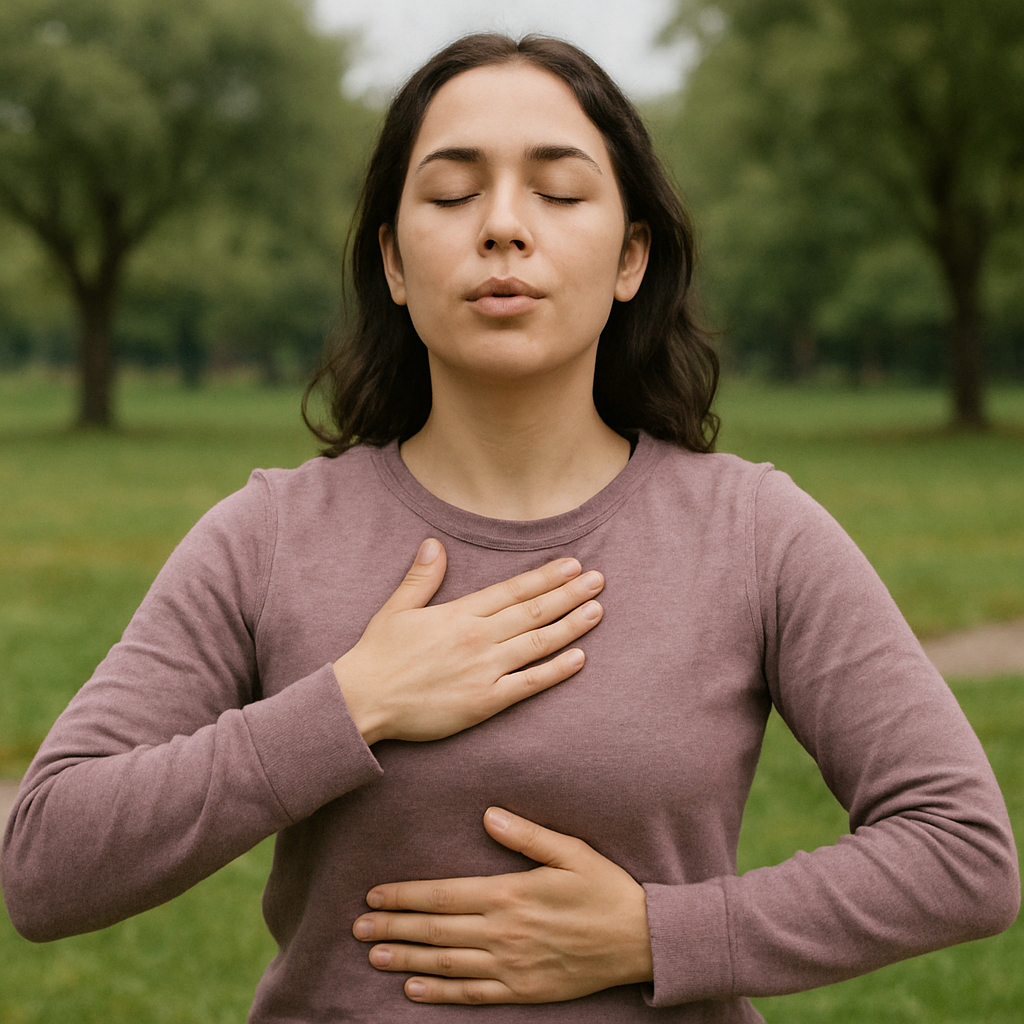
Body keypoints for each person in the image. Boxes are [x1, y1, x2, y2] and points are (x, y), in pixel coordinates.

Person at [2, 32, 1018, 1023]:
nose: (501, 226)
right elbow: (46, 862)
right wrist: (350, 703)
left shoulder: (753, 531)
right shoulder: (267, 536)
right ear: (394, 264)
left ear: (629, 258)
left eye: (558, 191)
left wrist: (660, 935)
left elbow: (961, 852)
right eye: (450, 193)